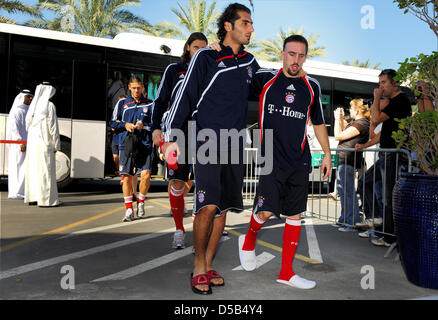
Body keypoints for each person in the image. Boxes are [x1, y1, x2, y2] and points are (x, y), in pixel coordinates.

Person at [162, 3, 259, 294]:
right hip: (206, 141)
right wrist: (170, 136)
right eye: (245, 23)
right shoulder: (206, 56)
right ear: (228, 26)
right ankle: (199, 265)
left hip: (235, 144)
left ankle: (209, 262)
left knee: (224, 208)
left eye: (251, 24)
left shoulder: (251, 63)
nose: (251, 29)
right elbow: (186, 96)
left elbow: (267, 91)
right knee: (207, 206)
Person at [238, 35, 331, 290]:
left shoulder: (312, 86)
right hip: (270, 158)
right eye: (291, 54)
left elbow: (320, 122)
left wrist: (326, 154)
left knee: (294, 214)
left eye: (301, 56)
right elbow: (236, 71)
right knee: (266, 212)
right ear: (282, 53)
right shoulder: (265, 79)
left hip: (299, 161)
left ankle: (286, 272)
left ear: (306, 57)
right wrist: (218, 48)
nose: (296, 60)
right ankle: (248, 241)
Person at [151, 32, 208, 249]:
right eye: (196, 47)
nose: (199, 52)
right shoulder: (174, 70)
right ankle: (178, 229)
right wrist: (156, 128)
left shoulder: (210, 71)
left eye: (204, 48)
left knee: (204, 183)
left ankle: (202, 229)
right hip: (178, 135)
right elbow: (160, 100)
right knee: (176, 182)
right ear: (187, 48)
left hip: (204, 135)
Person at [369, 69, 412, 247]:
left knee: (389, 195)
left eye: (383, 83)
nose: (381, 87)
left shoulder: (400, 101)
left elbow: (375, 118)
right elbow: (375, 120)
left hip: (393, 154)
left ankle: (389, 236)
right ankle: (380, 225)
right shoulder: (393, 101)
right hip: (387, 153)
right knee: (368, 182)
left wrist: (377, 98)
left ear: (394, 83)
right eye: (379, 83)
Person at [110, 76, 153, 222]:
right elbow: (113, 122)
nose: (136, 90)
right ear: (129, 87)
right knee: (126, 177)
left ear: (142, 88)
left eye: (139, 88)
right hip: (126, 144)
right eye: (134, 88)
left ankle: (140, 201)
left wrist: (144, 126)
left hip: (145, 144)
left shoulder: (150, 104)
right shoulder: (122, 103)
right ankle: (129, 209)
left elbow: (156, 125)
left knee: (146, 175)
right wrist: (125, 125)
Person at [333, 99, 370, 231]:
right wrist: (341, 118)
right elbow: (343, 130)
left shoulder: (362, 123)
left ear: (357, 110)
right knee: (343, 191)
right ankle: (344, 219)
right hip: (343, 160)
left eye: (351, 109)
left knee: (348, 192)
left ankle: (352, 222)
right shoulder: (355, 123)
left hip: (349, 160)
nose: (349, 111)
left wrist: (337, 119)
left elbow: (338, 135)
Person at [24, 83, 61, 207]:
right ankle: (47, 200)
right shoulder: (49, 106)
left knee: (33, 169)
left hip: (33, 142)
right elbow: (53, 127)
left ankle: (33, 198)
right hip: (45, 142)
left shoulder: (33, 106)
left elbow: (27, 123)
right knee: (46, 170)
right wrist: (56, 145)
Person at [6, 89, 33, 199]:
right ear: (22, 97)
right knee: (17, 167)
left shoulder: (27, 111)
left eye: (31, 97)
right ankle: (16, 192)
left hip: (26, 143)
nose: (30, 99)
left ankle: (21, 191)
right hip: (19, 144)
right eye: (28, 96)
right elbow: (14, 129)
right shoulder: (16, 111)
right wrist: (20, 142)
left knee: (23, 168)